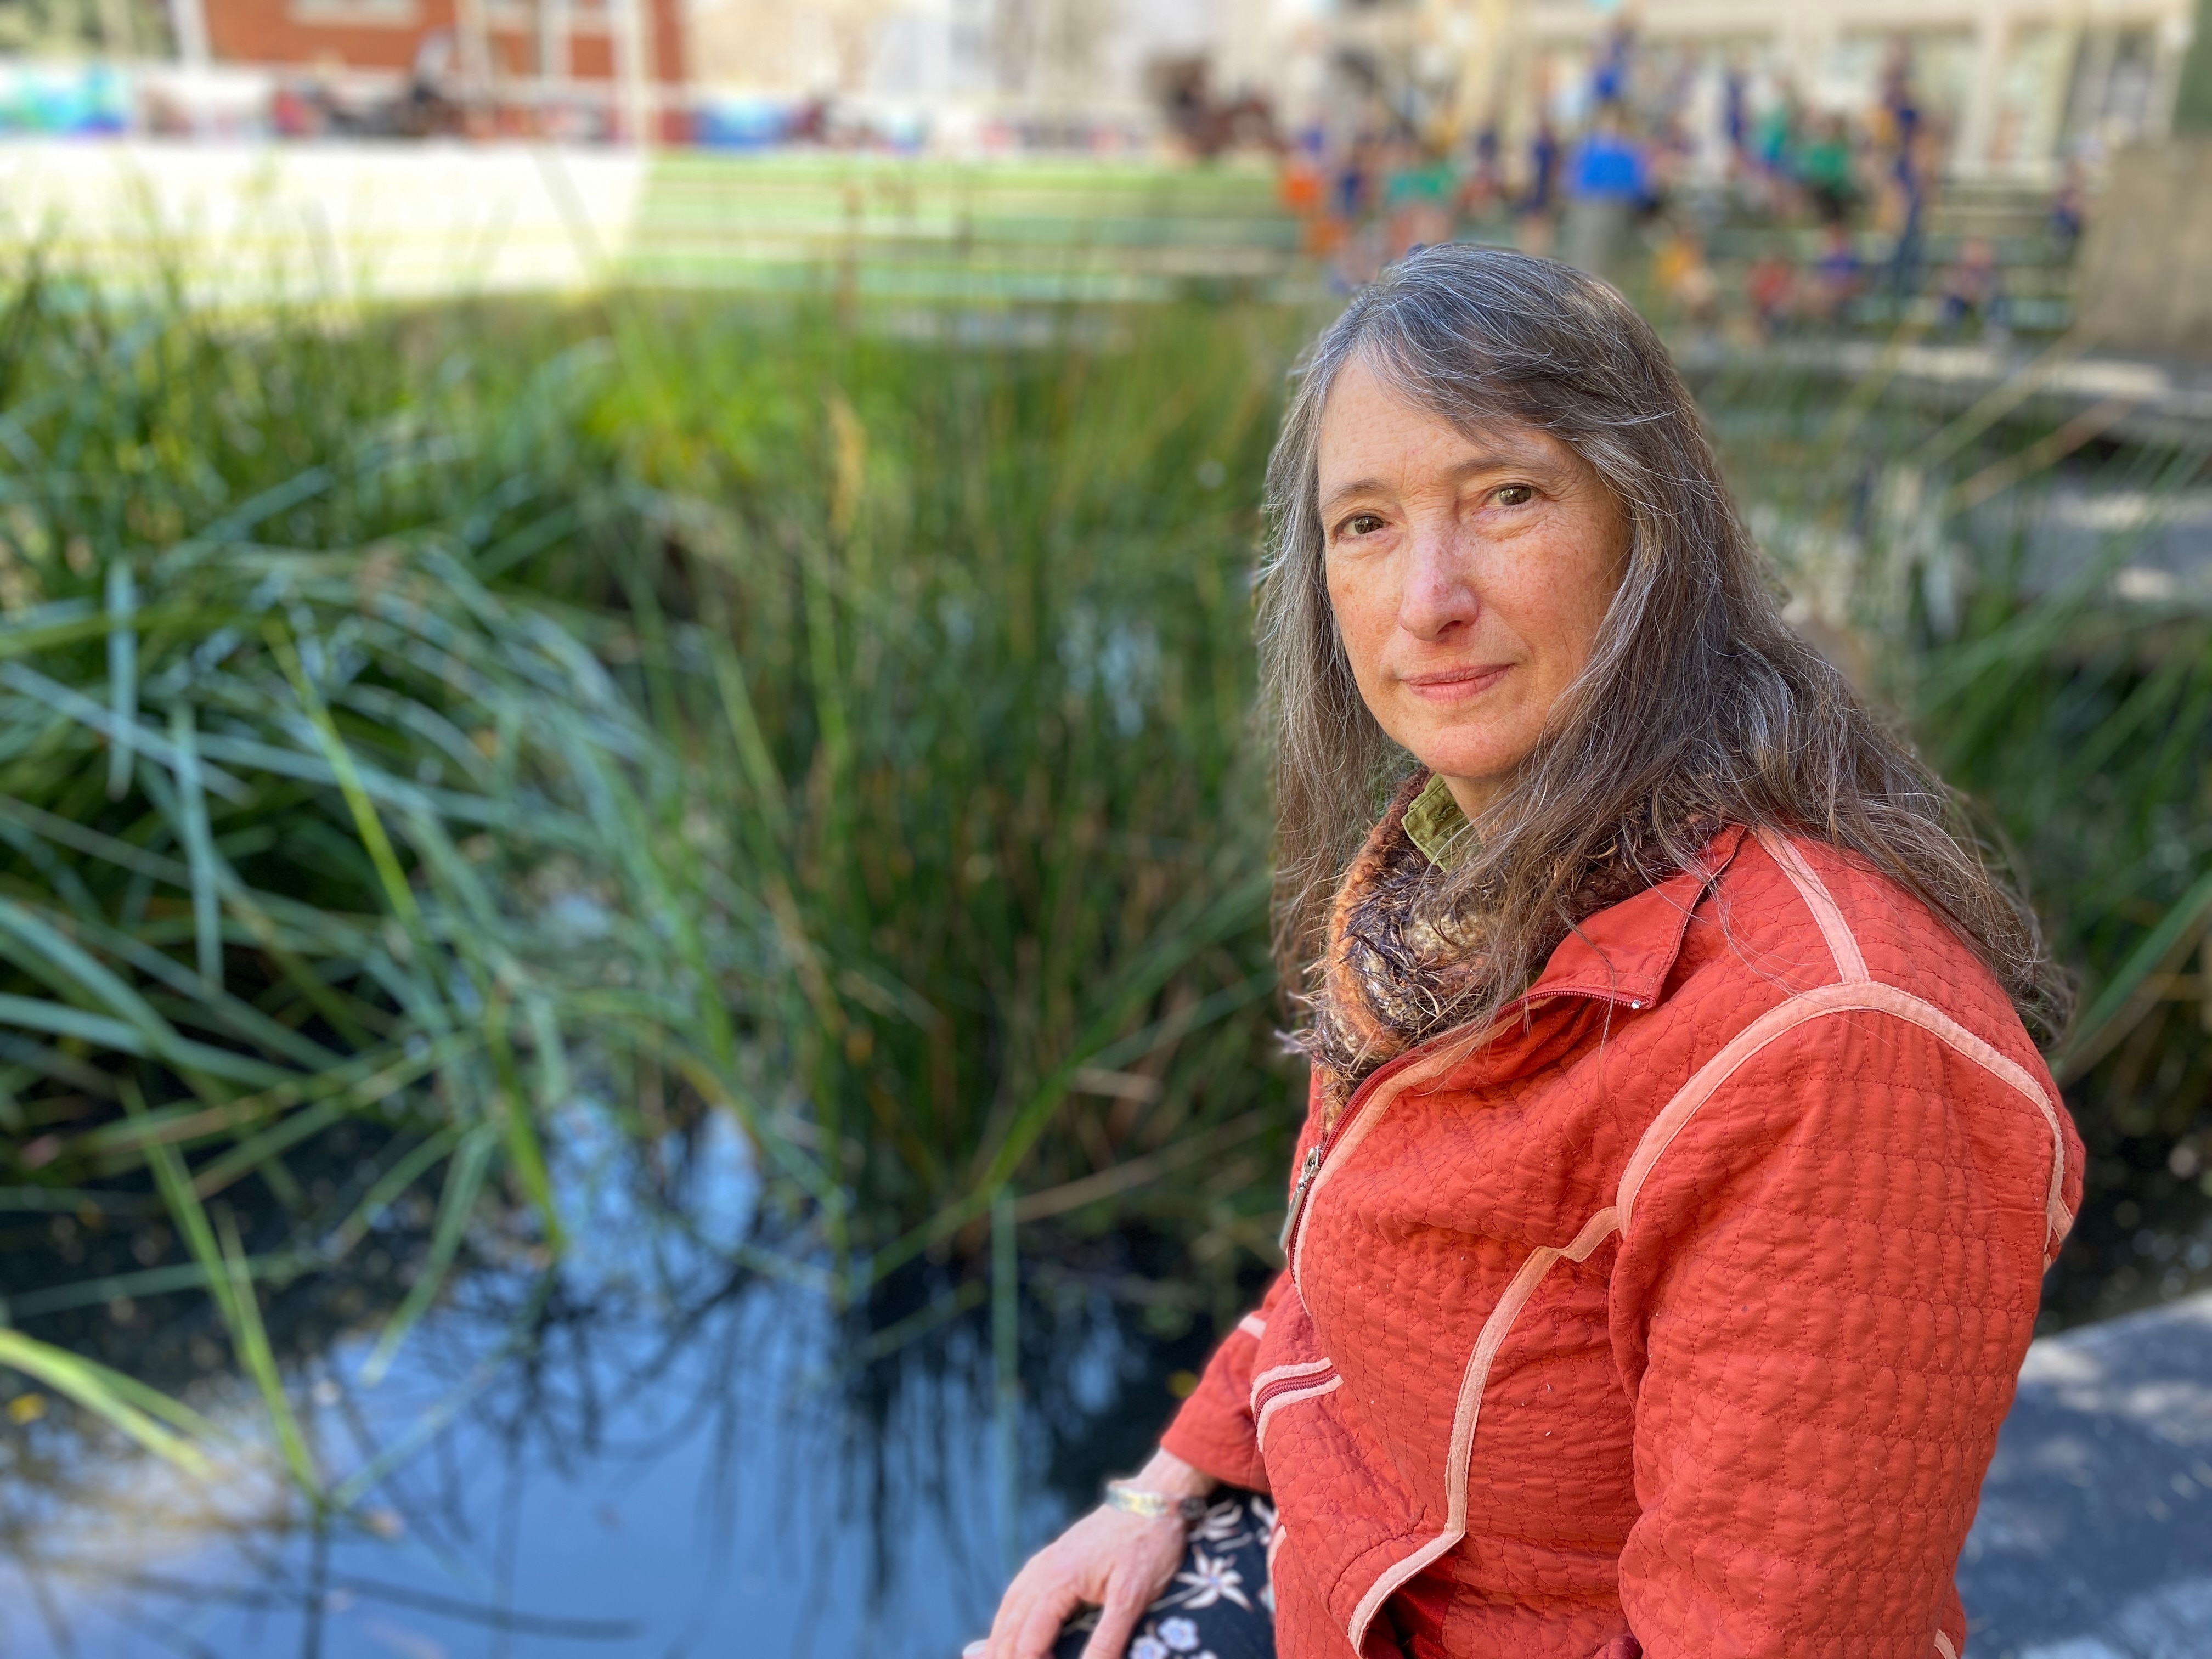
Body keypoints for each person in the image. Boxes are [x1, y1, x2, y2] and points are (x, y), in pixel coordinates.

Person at [975, 246, 2081, 1659]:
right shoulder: (1447, 861)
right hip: (1339, 1570)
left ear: (1650, 531)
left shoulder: (1828, 1039)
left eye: (1505, 498)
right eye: (1365, 524)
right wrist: (1161, 1485)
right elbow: (1348, 1259)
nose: (1425, 596)